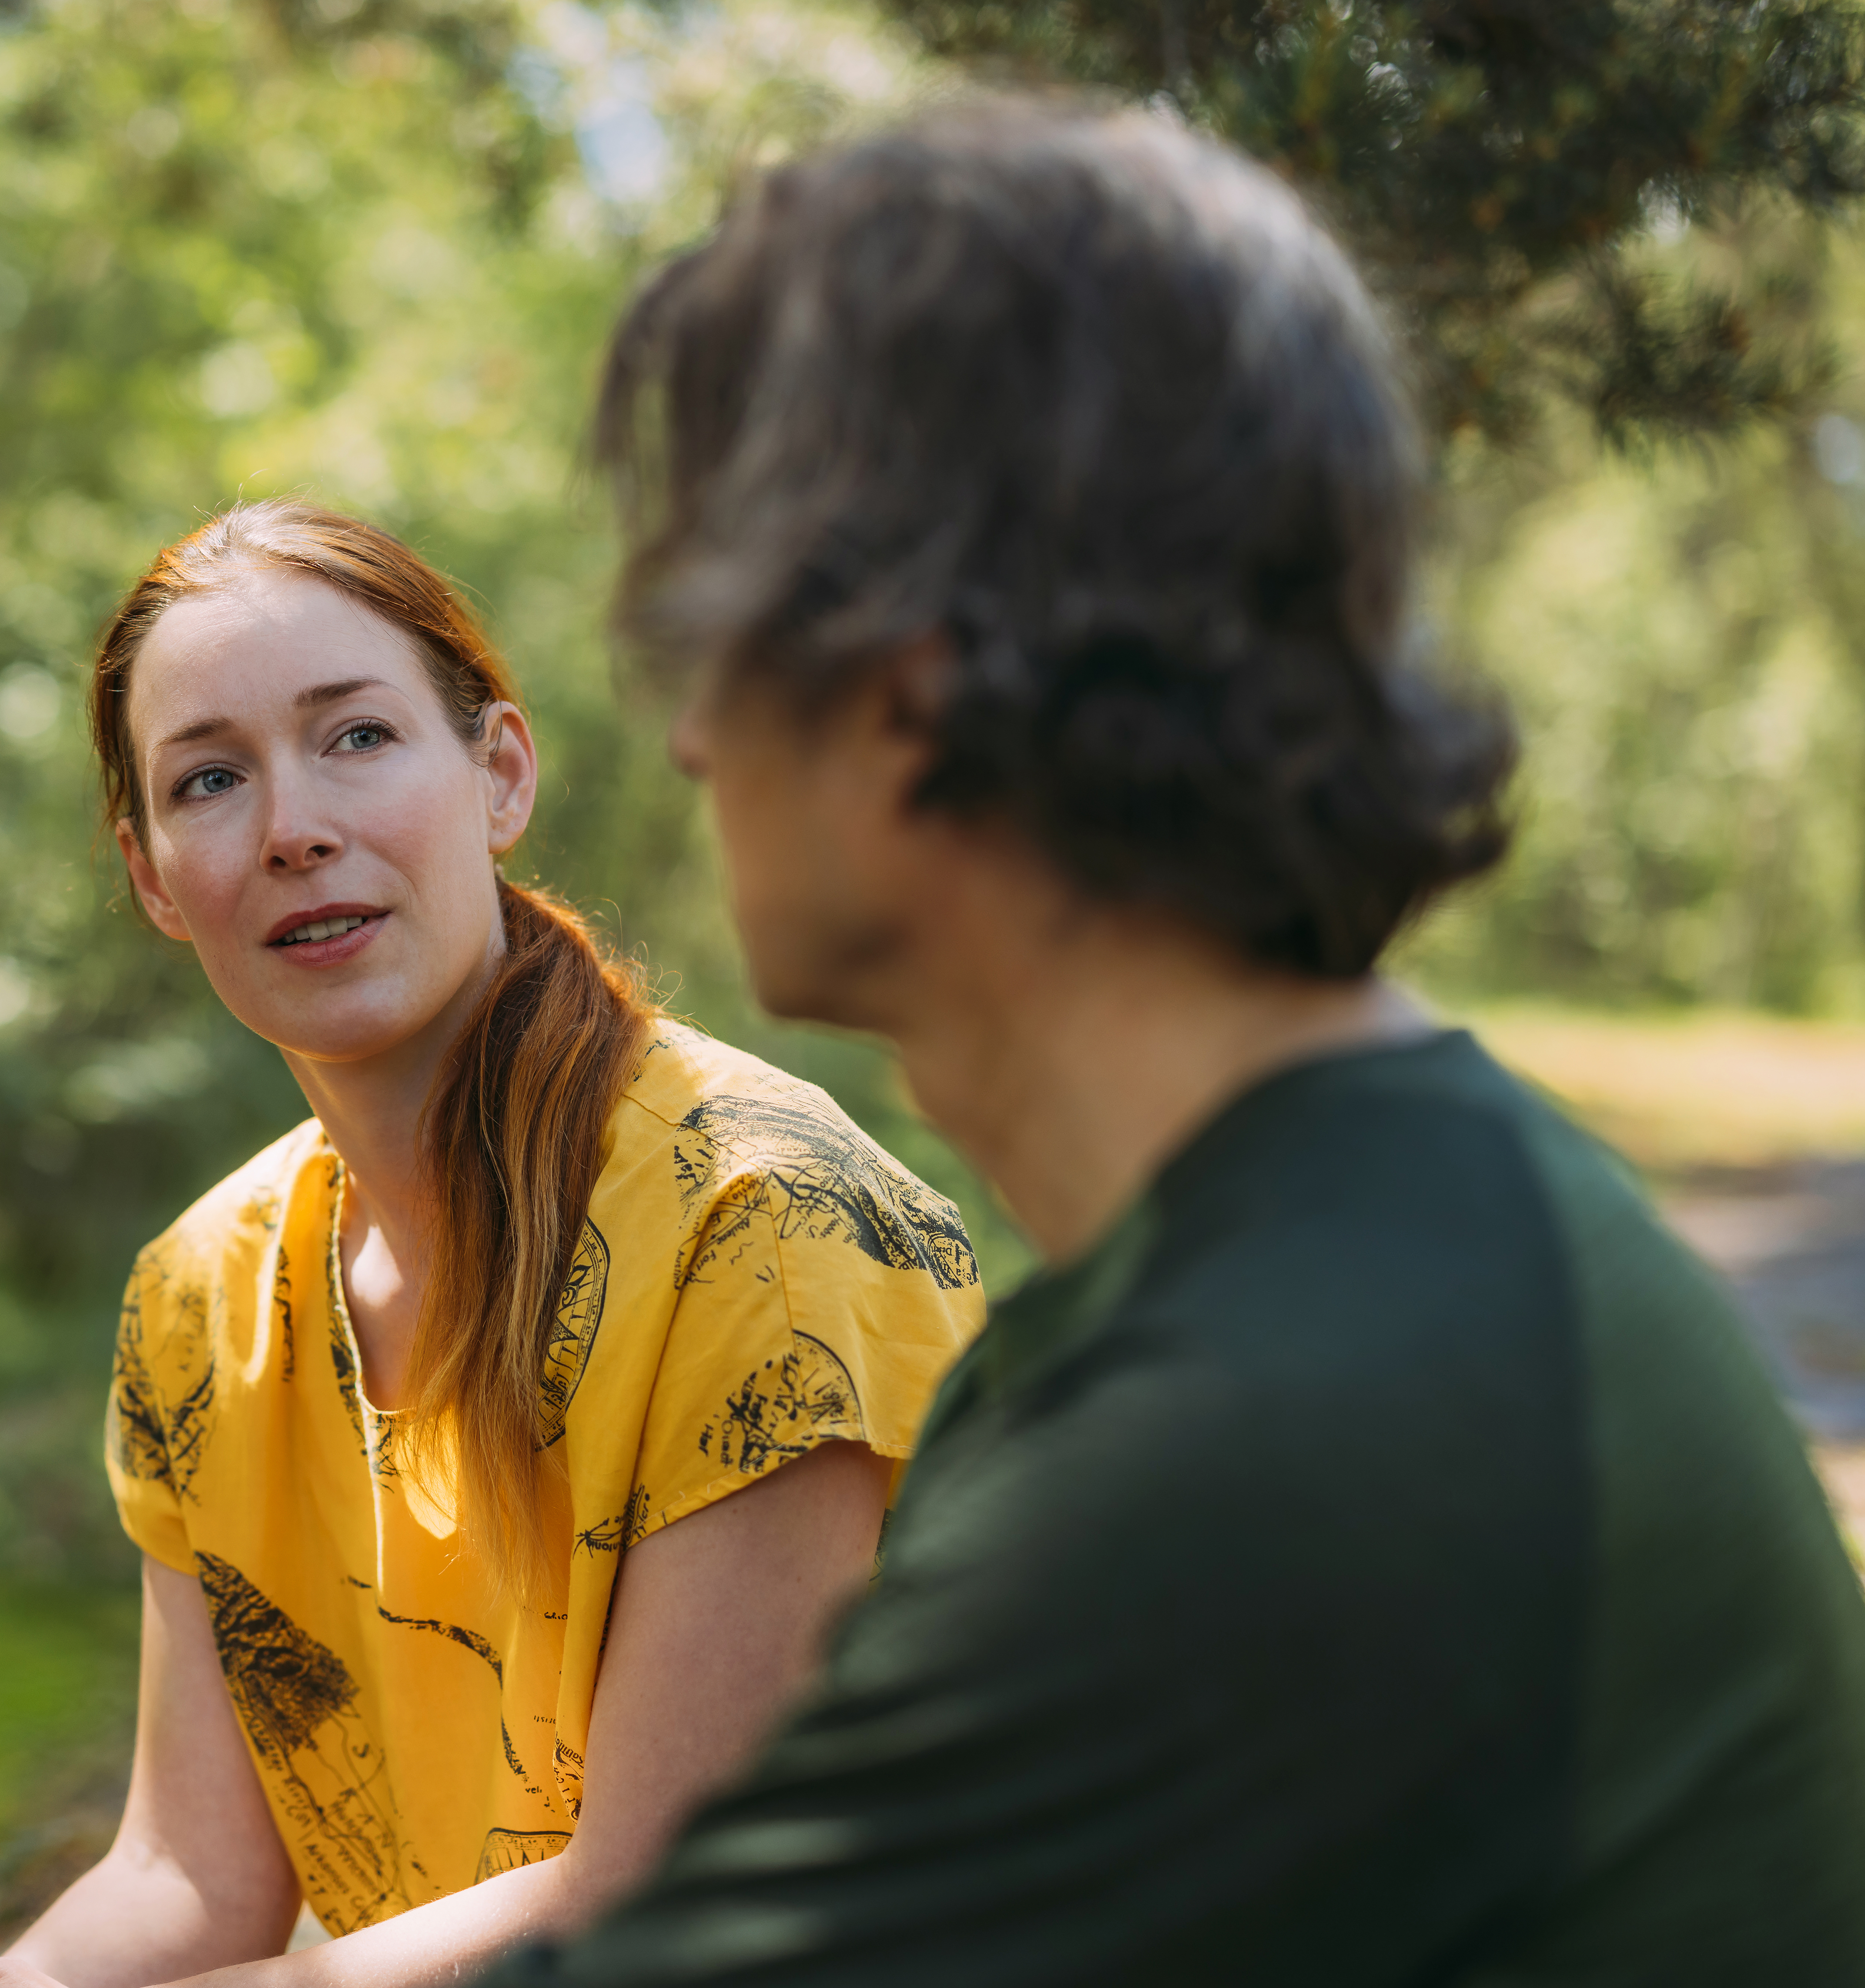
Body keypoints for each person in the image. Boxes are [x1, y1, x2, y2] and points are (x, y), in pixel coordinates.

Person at [463, 101, 1865, 1986]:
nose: (694, 741)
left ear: (909, 689)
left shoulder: (1277, 1427)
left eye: (708, 631)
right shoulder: (1361, 1248)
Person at [0, 501, 984, 1988]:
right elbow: (189, 1869)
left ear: (498, 771)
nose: (293, 829)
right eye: (210, 779)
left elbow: (665, 1904)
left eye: (356, 738)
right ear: (151, 877)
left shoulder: (761, 1226)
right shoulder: (200, 1300)